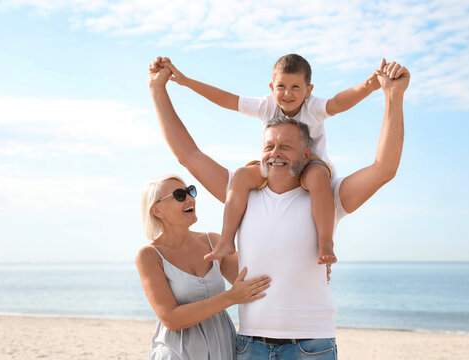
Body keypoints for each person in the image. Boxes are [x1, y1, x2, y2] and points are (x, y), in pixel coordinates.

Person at [148, 56, 409, 359]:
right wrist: (158, 90)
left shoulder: (326, 197)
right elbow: (188, 153)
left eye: (286, 147)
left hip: (312, 346)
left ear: (307, 154)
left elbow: (383, 168)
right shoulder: (241, 193)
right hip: (250, 345)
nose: (275, 154)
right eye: (269, 147)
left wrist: (393, 96)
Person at [163, 54, 383, 265]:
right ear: (271, 87)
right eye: (281, 86)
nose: (287, 93)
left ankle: (325, 242)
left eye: (296, 87)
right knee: (241, 175)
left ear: (308, 90)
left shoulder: (313, 106)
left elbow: (338, 103)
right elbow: (227, 100)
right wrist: (186, 82)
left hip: (311, 164)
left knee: (317, 177)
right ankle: (227, 240)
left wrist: (367, 87)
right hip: (276, 163)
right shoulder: (266, 105)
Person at [136, 174, 271, 359]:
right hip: (178, 353)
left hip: (223, 349)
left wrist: (312, 269)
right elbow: (171, 319)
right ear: (157, 210)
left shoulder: (214, 241)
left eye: (190, 191)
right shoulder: (149, 256)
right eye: (179, 195)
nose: (190, 198)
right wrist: (230, 297)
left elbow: (255, 282)